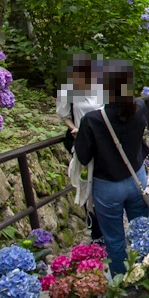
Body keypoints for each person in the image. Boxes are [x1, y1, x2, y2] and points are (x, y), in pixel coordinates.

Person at [74, 60, 149, 275]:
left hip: (108, 185)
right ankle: (148, 272)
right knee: (141, 230)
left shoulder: (92, 120)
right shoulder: (140, 107)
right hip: (137, 177)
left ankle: (122, 280)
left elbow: (83, 155)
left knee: (114, 238)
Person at [58, 53, 106, 244]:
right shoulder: (68, 90)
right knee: (88, 184)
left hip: (104, 141)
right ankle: (95, 229)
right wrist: (74, 129)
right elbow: (64, 115)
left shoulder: (101, 86)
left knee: (104, 182)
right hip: (84, 143)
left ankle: (107, 225)